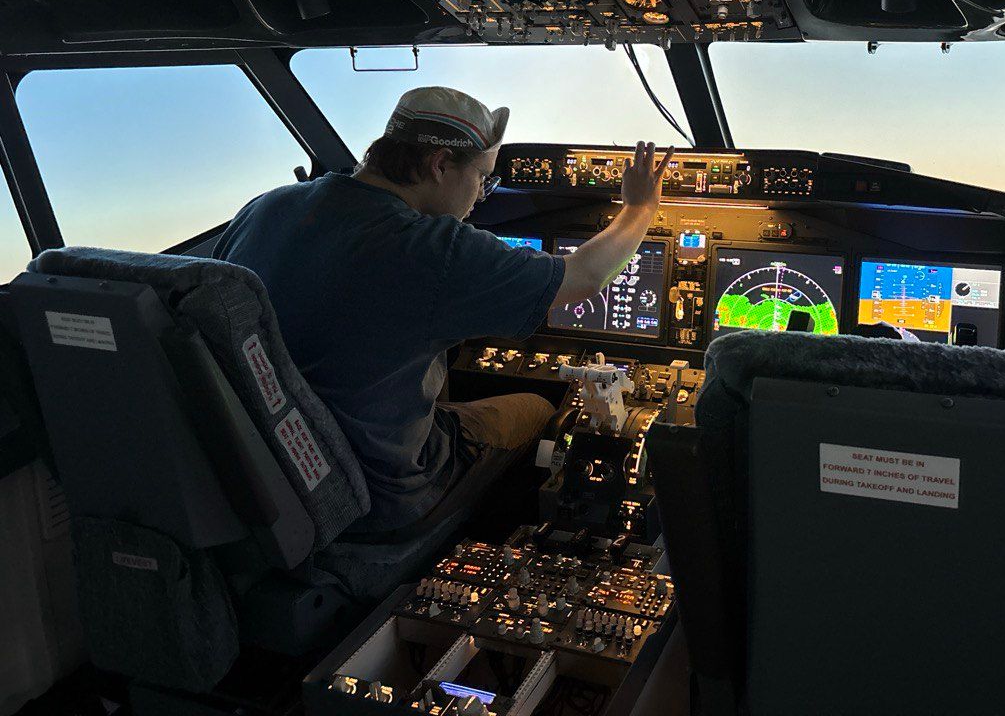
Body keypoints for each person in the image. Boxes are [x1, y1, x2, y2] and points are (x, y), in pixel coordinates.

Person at [212, 86, 672, 538]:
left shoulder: (267, 207)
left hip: (266, 470)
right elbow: (586, 276)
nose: (481, 196)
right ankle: (498, 540)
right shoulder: (432, 250)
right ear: (439, 165)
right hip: (384, 490)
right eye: (481, 179)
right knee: (538, 408)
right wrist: (639, 208)